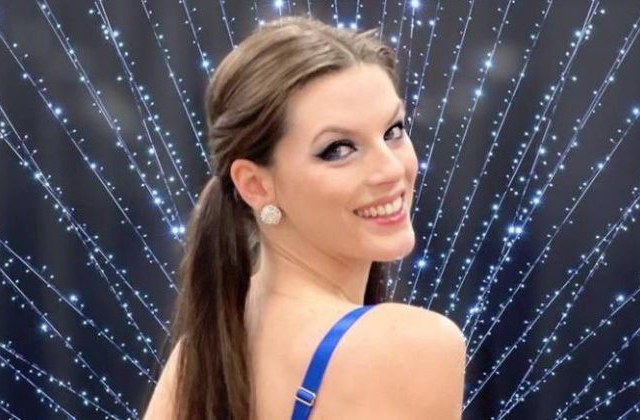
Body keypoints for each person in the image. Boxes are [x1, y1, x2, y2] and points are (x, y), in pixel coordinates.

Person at [143, 15, 466, 420]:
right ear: (255, 185)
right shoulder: (411, 345)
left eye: (393, 131)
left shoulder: (200, 353)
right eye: (338, 149)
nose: (390, 169)